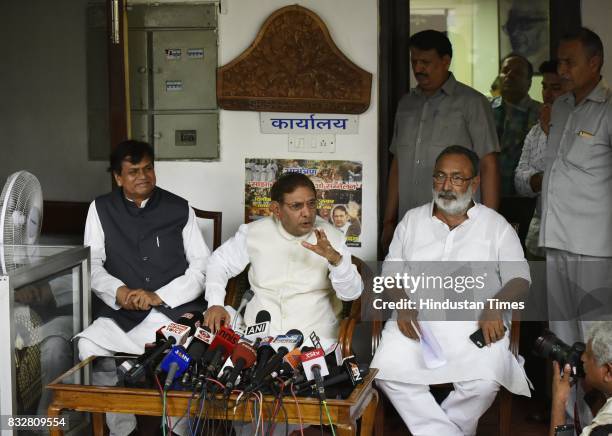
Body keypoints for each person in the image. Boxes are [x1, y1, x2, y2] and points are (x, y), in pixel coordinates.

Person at [372, 145, 531, 436]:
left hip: (476, 323)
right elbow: (390, 274)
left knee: (484, 382)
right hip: (417, 323)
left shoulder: (496, 226)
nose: (446, 186)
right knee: (387, 372)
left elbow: (520, 278)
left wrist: (495, 306)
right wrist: (404, 305)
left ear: (475, 183)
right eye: (440, 177)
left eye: (457, 178)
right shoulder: (411, 221)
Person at [76, 140, 210, 436]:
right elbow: (92, 263)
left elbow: (202, 266)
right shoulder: (100, 209)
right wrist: (119, 291)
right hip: (123, 313)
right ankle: (121, 428)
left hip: (173, 312)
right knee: (89, 346)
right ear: (118, 177)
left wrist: (160, 296)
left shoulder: (179, 207)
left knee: (189, 350)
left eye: (148, 168)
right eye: (133, 171)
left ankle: (178, 428)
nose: (143, 176)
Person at [540, 27, 612, 428]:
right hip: (556, 243)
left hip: (594, 249)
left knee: (599, 348)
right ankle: (569, 423)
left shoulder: (608, 108)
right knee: (564, 344)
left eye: (570, 62)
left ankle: (604, 424)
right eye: (560, 62)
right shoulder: (561, 107)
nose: (562, 69)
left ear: (594, 63)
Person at [204, 172, 363, 344]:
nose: (307, 213)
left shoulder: (333, 238)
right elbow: (219, 262)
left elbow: (352, 294)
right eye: (296, 206)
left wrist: (335, 260)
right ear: (276, 209)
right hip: (258, 337)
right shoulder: (253, 233)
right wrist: (215, 302)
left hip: (314, 340)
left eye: (311, 204)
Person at [382, 29, 500, 252]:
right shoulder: (406, 104)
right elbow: (398, 164)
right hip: (409, 224)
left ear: (446, 61)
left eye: (425, 62)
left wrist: (490, 224)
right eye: (414, 61)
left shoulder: (472, 103)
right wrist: (389, 221)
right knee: (411, 285)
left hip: (458, 225)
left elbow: (488, 164)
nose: (418, 69)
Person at [515, 60, 568, 258]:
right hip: (538, 235)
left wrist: (551, 132)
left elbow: (571, 176)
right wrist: (535, 180)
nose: (547, 94)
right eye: (544, 86)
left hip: (572, 236)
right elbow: (519, 179)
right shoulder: (536, 131)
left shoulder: (581, 127)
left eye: (555, 88)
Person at [492, 53, 542, 196]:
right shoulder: (484, 110)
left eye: (518, 72)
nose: (510, 76)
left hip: (525, 201)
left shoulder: (541, 115)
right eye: (505, 71)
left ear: (529, 82)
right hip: (486, 197)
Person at [550, 322, 612, 436]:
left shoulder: (602, 430)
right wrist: (591, 393)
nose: (582, 358)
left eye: (588, 355)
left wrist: (559, 402)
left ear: (608, 371)